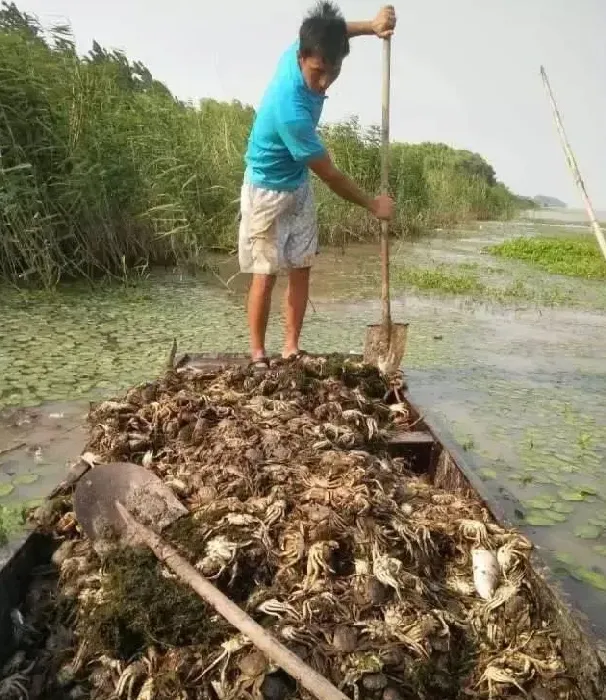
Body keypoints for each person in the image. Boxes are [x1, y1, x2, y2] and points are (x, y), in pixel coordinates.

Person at [238, 2, 397, 368]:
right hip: (266, 188)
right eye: (317, 72)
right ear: (301, 58)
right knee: (265, 272)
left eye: (334, 71)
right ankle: (259, 354)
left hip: (297, 182)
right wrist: (373, 206)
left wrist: (372, 27)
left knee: (302, 263)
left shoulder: (312, 44)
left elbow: (334, 31)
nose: (324, 82)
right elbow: (331, 174)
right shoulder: (289, 108)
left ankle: (291, 346)